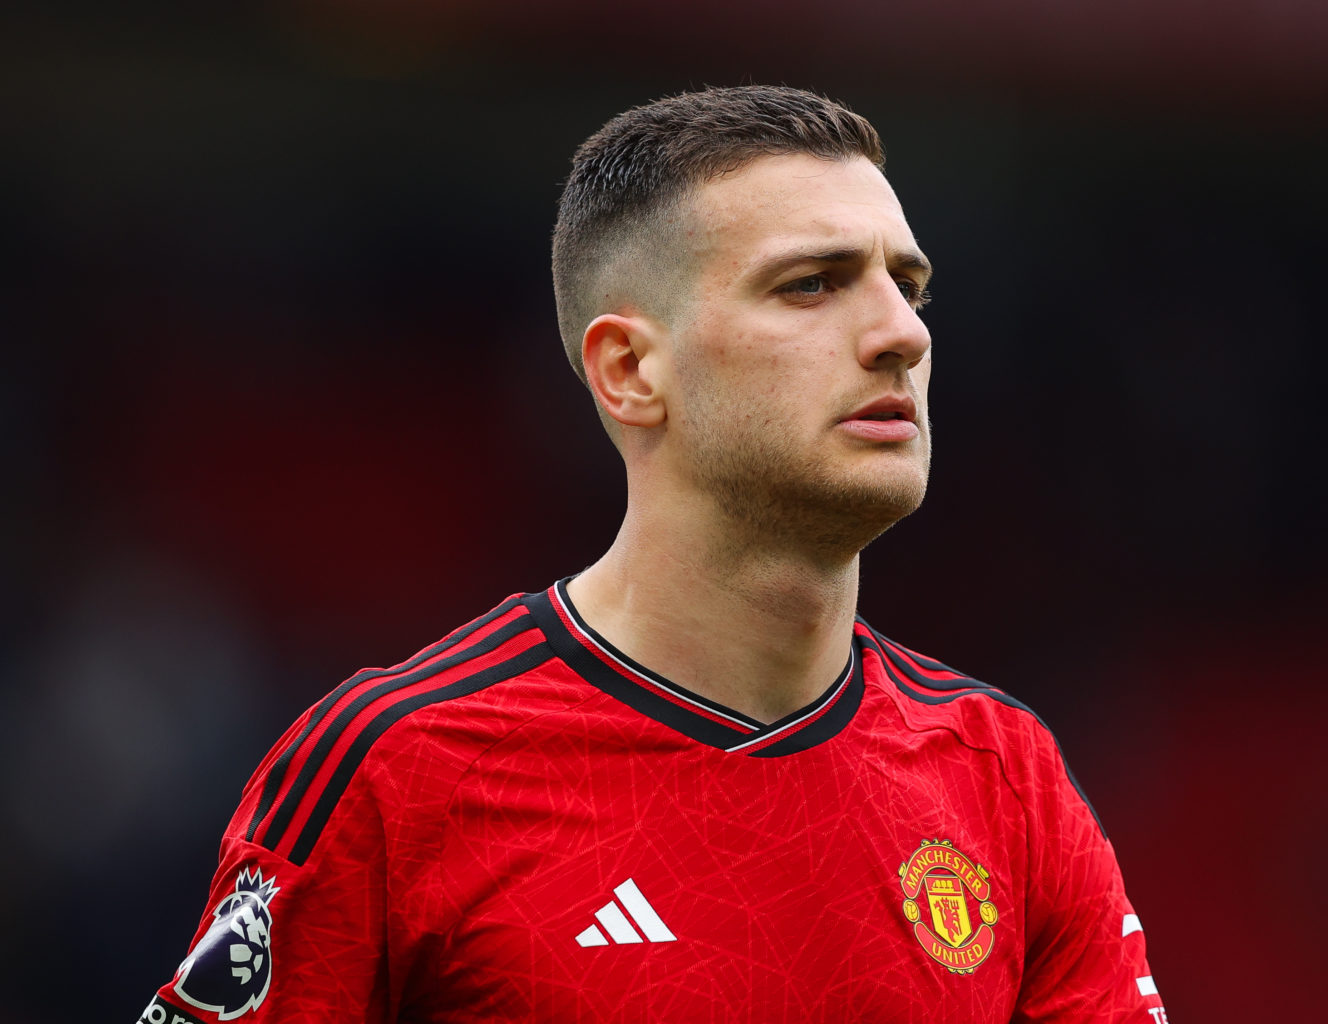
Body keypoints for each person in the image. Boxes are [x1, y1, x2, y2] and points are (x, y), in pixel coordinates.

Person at [139, 85, 1167, 1024]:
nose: (901, 333)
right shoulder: (402, 771)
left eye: (911, 286)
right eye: (813, 284)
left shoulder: (1006, 779)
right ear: (630, 368)